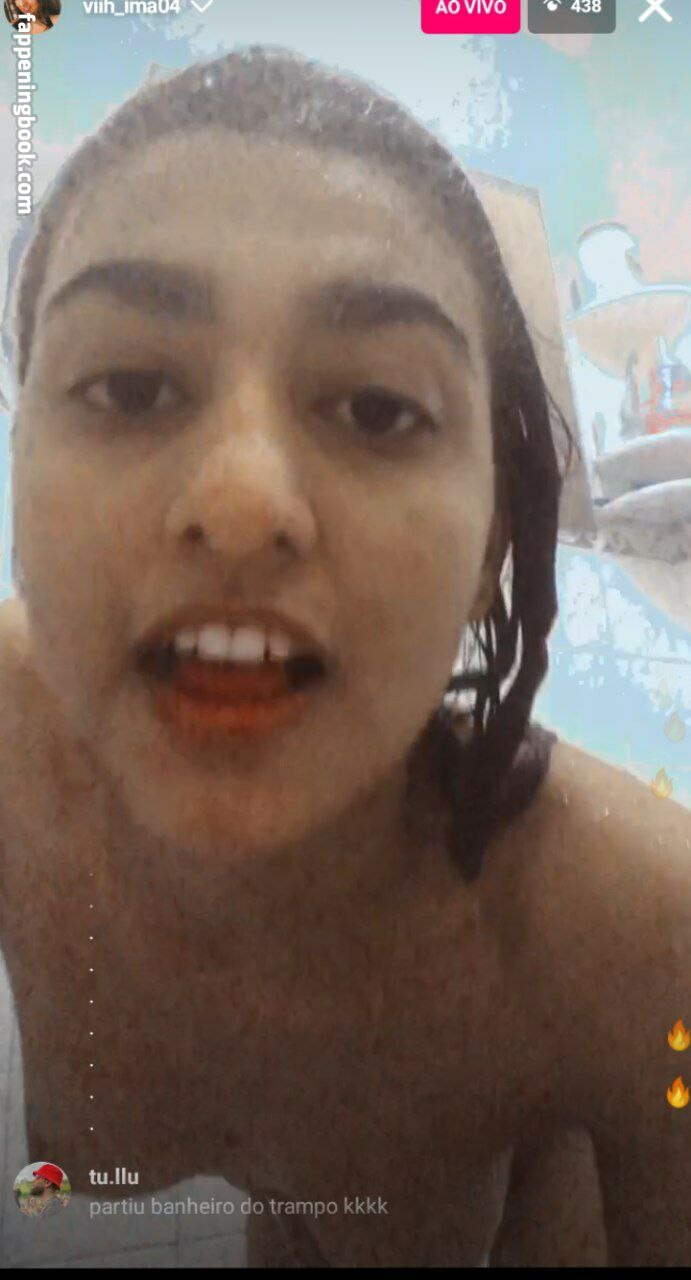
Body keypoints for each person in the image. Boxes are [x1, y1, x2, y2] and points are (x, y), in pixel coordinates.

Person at [1, 47, 689, 1268]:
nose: (242, 500)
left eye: (379, 408)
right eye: (130, 385)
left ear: (492, 539)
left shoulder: (637, 937)